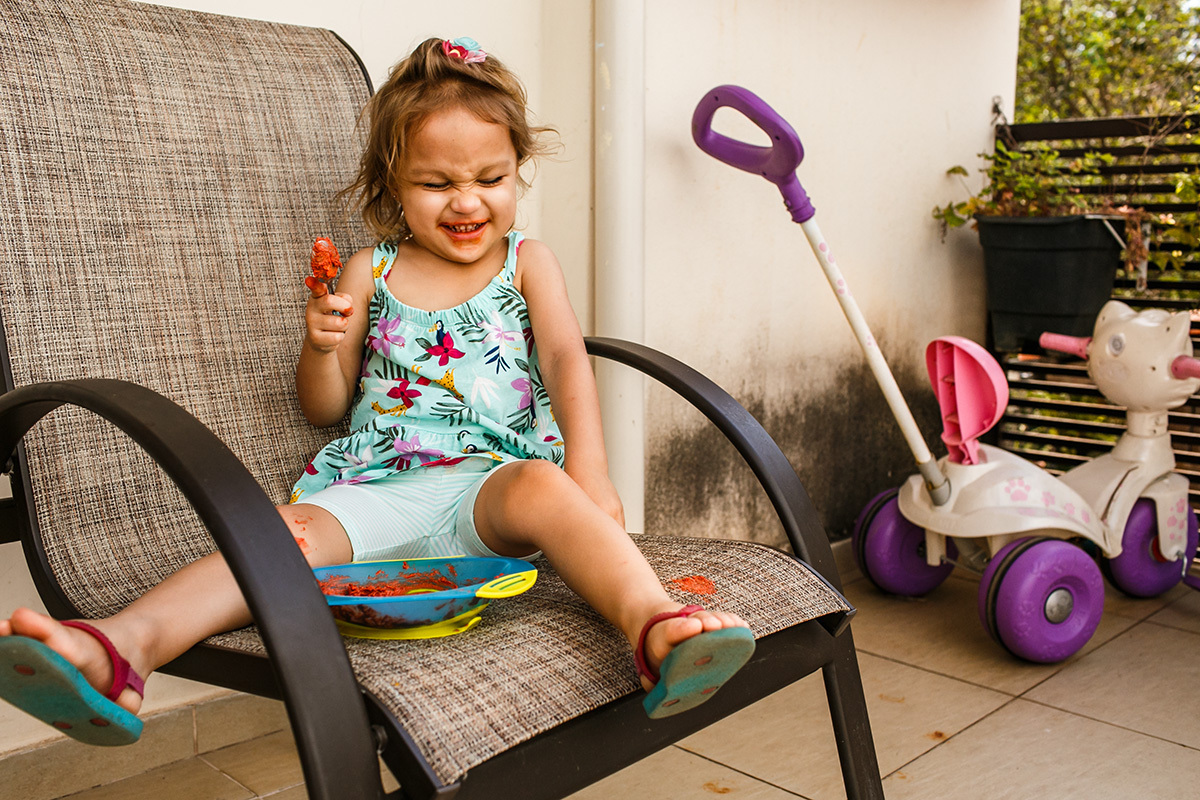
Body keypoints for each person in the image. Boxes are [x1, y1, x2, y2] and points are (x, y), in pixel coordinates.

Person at [0, 36, 753, 745]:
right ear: (393, 183)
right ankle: (118, 649)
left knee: (544, 488)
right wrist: (322, 347)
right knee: (278, 536)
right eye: (437, 183)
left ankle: (656, 627)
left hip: (490, 485)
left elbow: (563, 358)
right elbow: (324, 409)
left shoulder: (528, 263)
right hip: (379, 487)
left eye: (490, 179)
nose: (467, 203)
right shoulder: (369, 272)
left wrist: (590, 469)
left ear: (517, 168)